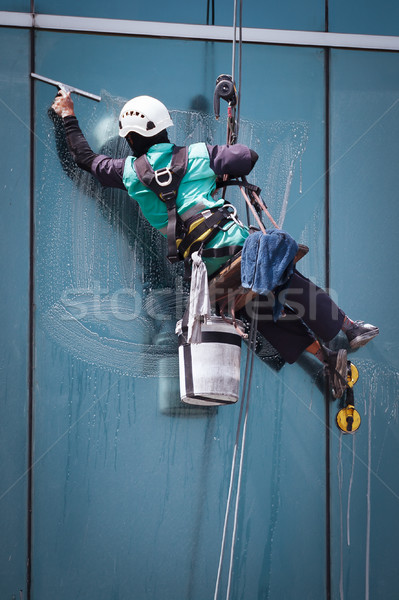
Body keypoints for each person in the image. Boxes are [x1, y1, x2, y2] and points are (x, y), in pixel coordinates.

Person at [51, 91, 379, 399]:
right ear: (165, 129)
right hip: (236, 249)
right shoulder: (194, 155)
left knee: (256, 312)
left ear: (131, 139)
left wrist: (67, 114)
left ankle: (326, 360)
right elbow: (245, 157)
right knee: (282, 273)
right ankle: (349, 328)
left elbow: (85, 159)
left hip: (208, 273)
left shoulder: (129, 174)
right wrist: (214, 171)